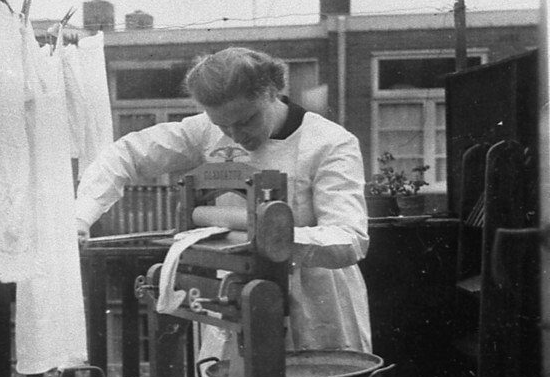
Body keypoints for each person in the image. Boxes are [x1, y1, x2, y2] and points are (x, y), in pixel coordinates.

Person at [75, 46, 371, 354]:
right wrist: (81, 218)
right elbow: (126, 155)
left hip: (314, 305)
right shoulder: (205, 130)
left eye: (246, 120)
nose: (234, 135)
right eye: (222, 125)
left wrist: (274, 240)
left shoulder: (330, 143)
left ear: (272, 91)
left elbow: (350, 239)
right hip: (232, 298)